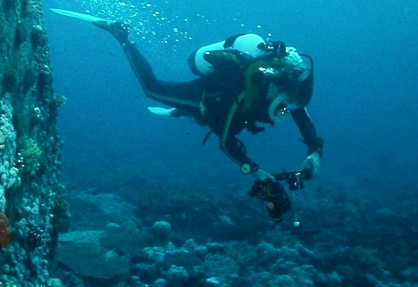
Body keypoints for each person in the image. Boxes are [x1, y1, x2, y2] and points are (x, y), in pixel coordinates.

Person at [99, 22, 323, 222]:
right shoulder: (244, 92)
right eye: (286, 104)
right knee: (153, 89)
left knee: (205, 116)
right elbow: (225, 142)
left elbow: (299, 111)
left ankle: (181, 111)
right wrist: (256, 170)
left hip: (222, 108)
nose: (286, 110)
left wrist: (314, 150)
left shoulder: (285, 87)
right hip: (205, 95)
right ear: (277, 88)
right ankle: (123, 37)